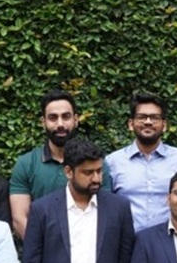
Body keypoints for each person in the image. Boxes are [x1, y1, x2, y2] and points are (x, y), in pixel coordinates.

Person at [9, 89, 112, 239]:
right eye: (53, 118)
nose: (60, 124)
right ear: (43, 122)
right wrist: (44, 252)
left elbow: (105, 211)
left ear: (76, 120)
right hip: (43, 254)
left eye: (66, 117)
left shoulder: (97, 164)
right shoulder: (26, 164)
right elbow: (20, 219)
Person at [105, 91, 177, 233]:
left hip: (171, 244)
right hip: (127, 245)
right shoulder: (113, 161)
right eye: (142, 117)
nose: (148, 122)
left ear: (164, 125)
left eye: (155, 118)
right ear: (131, 124)